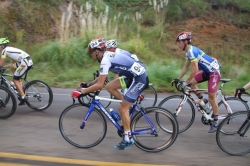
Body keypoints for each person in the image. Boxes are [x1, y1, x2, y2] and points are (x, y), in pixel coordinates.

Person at [73, 38, 148, 150]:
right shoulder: (107, 56)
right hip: (131, 77)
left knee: (122, 108)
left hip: (139, 79)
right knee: (110, 87)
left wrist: (81, 92)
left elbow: (99, 85)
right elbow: (101, 79)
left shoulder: (105, 59)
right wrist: (88, 85)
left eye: (91, 52)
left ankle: (128, 139)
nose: (91, 55)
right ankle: (127, 106)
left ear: (97, 51)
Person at [174, 32, 221, 133]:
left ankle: (216, 121)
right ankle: (202, 100)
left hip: (214, 72)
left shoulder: (192, 51)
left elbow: (195, 69)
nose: (178, 44)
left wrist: (186, 82)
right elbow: (186, 67)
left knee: (212, 98)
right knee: (192, 84)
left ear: (185, 41)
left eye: (179, 42)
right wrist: (178, 79)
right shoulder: (188, 52)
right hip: (207, 71)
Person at [0, 38, 33, 105]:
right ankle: (19, 83)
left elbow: (0, 63)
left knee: (15, 79)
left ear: (2, 46)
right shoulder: (10, 49)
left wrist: (1, 66)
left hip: (24, 64)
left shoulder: (4, 51)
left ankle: (23, 97)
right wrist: (4, 67)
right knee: (12, 67)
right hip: (27, 61)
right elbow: (12, 64)